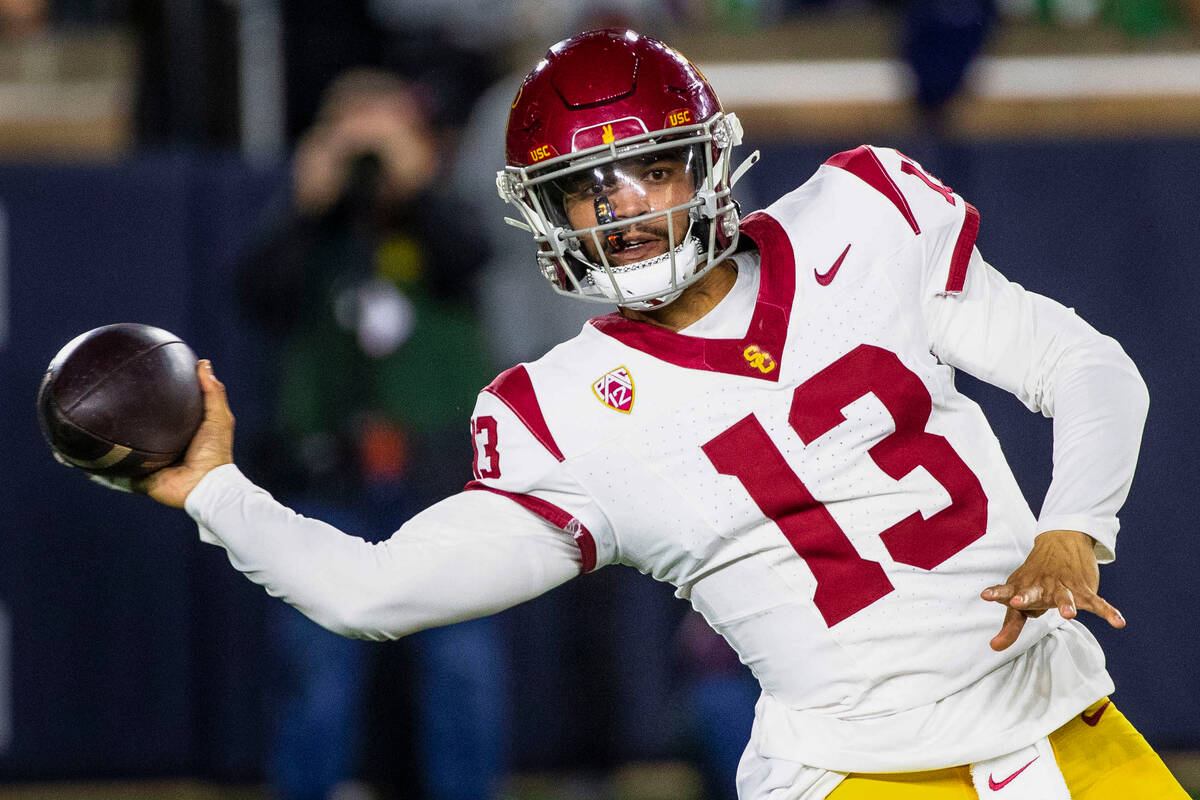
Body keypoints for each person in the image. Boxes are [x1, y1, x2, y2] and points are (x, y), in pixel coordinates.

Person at [138, 29, 1184, 800]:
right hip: (858, 771)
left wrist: (1073, 524)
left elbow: (1086, 365)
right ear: (546, 213)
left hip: (1066, 721)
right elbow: (373, 588)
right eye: (587, 187)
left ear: (707, 160)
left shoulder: (863, 217)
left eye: (650, 168)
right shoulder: (564, 416)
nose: (625, 207)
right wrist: (214, 490)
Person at [234, 69, 506, 800]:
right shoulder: (308, 233)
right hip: (329, 477)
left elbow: (472, 258)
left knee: (461, 667)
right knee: (316, 672)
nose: (368, 158)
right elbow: (256, 295)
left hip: (441, 479)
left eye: (384, 134)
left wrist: (419, 187)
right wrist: (306, 205)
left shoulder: (446, 217)